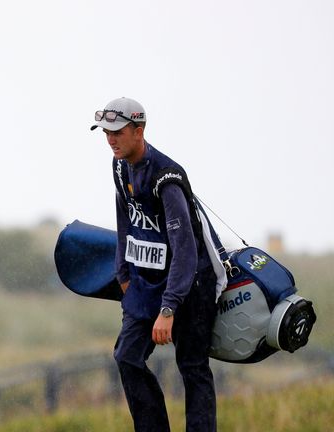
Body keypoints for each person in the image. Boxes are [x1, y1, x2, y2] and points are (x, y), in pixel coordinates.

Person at [91, 97, 226, 432]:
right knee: (127, 356)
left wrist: (169, 309)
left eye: (118, 132)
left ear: (139, 131)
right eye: (106, 132)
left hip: (191, 284)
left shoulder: (167, 178)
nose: (110, 139)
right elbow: (125, 221)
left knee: (192, 368)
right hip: (145, 282)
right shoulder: (119, 165)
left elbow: (186, 252)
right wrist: (124, 275)